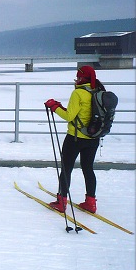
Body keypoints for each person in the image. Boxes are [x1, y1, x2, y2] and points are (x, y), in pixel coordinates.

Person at [45, 65, 103, 214]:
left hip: (75, 138)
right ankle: (91, 203)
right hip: (93, 138)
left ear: (82, 78)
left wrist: (54, 107)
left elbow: (69, 116)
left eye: (77, 77)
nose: (76, 80)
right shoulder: (98, 91)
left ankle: (61, 202)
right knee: (88, 169)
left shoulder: (78, 93)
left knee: (66, 169)